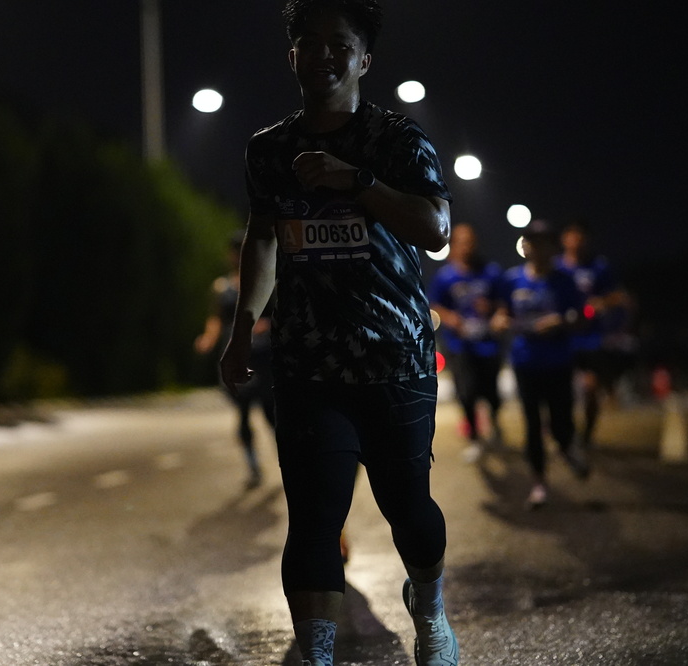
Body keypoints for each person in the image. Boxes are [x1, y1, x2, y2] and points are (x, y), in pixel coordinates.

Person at [219, 2, 459, 664]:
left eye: (340, 43)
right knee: (314, 519)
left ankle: (430, 610)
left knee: (409, 510)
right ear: (292, 55)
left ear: (363, 59)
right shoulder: (268, 149)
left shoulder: (396, 141)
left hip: (394, 358)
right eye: (310, 41)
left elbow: (435, 229)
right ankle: (318, 655)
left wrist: (355, 182)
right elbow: (262, 239)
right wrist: (241, 331)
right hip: (306, 362)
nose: (324, 54)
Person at [492, 220, 589, 509]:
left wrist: (561, 320)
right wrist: (499, 321)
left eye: (545, 242)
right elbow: (501, 313)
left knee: (561, 423)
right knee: (532, 425)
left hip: (558, 362)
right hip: (525, 363)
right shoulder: (512, 279)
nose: (538, 248)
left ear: (552, 247)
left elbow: (581, 316)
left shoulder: (564, 280)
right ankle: (538, 483)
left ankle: (567, 446)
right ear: (526, 246)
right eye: (533, 242)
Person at [195, 231, 275, 489]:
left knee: (271, 413)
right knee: (242, 411)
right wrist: (208, 339)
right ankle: (253, 465)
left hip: (262, 354)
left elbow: (281, 312)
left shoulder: (266, 280)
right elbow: (216, 318)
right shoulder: (222, 287)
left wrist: (267, 324)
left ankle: (284, 459)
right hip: (236, 354)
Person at [428, 223, 504, 463]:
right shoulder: (445, 276)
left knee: (491, 391)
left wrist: (493, 310)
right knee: (466, 392)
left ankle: (495, 422)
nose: (466, 247)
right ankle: (475, 438)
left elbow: (503, 303)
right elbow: (435, 305)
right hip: (459, 346)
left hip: (487, 343)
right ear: (454, 245)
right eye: (461, 242)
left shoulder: (490, 272)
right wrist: (451, 318)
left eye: (470, 241)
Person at [556, 220, 627, 448]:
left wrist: (600, 303)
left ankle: (586, 434)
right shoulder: (556, 267)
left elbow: (618, 296)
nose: (576, 242)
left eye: (580, 237)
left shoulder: (599, 267)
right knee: (559, 390)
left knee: (590, 388)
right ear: (564, 239)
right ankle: (563, 431)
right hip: (562, 338)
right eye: (571, 236)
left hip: (590, 338)